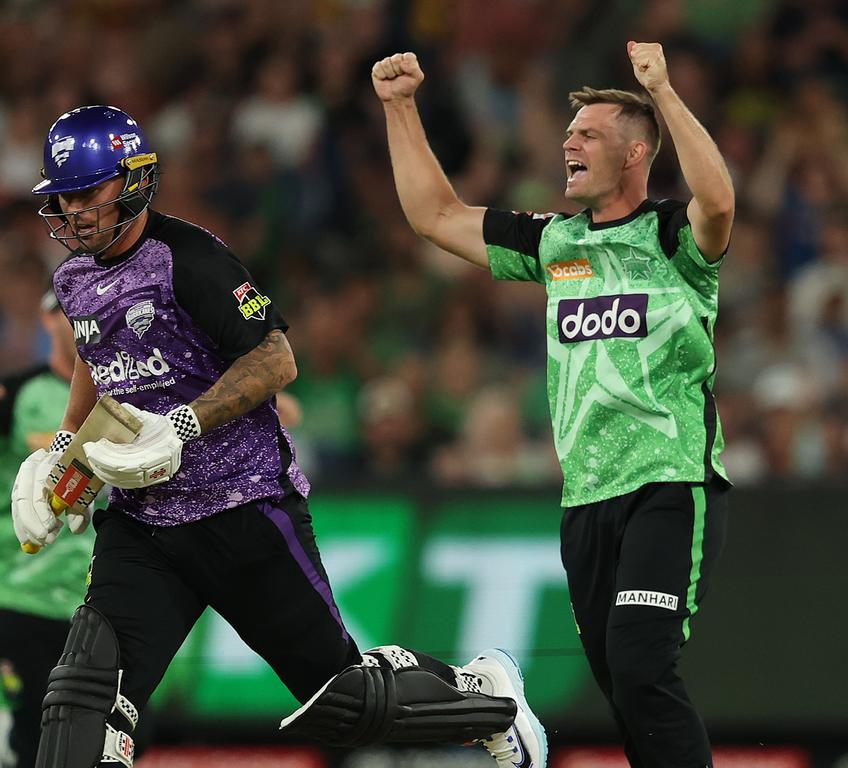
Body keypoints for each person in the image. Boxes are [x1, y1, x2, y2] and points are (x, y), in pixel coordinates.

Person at [11, 105, 546, 768]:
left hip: (242, 511)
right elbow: (97, 359)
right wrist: (65, 444)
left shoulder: (191, 258)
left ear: (134, 180)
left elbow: (275, 360)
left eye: (87, 192)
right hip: (144, 529)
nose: (73, 211)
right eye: (62, 198)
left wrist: (185, 423)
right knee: (78, 703)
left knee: (341, 700)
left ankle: (482, 693)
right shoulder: (72, 279)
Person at [373, 41, 733, 768]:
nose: (568, 141)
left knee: (640, 664)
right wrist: (399, 106)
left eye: (589, 134)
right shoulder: (553, 243)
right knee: (624, 689)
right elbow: (435, 216)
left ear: (635, 154)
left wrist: (661, 90)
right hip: (585, 499)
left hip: (668, 485)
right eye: (570, 133)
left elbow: (719, 201)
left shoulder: (672, 239)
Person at [0, 292, 90, 768]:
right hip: (25, 595)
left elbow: (290, 412)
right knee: (34, 738)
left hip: (100, 600)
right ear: (45, 319)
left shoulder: (133, 395)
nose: (76, 321)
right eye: (63, 310)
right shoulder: (17, 393)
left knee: (123, 734)